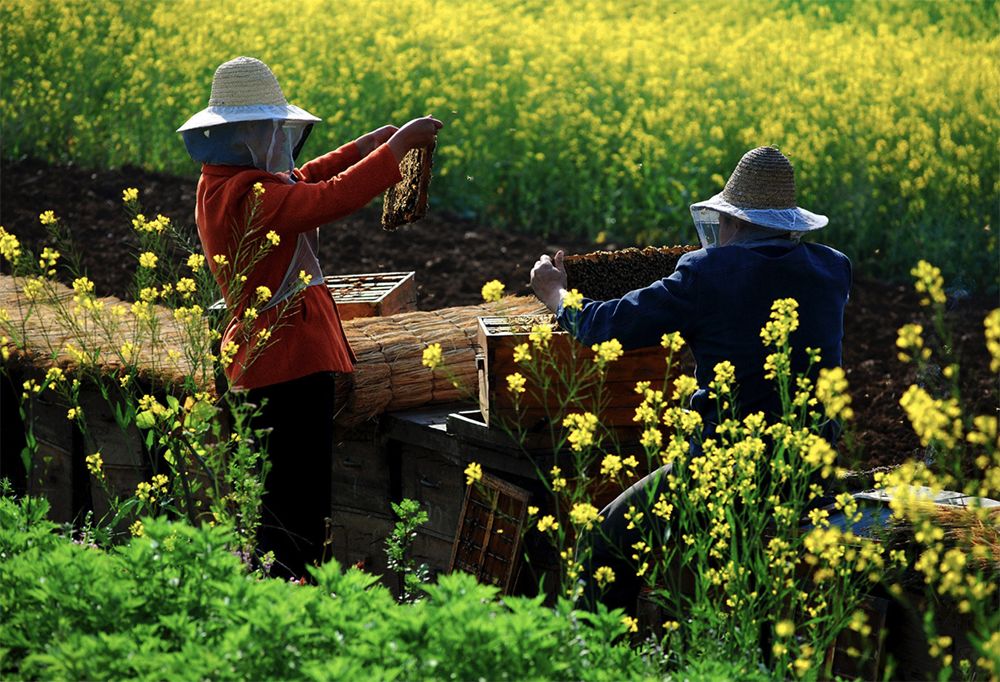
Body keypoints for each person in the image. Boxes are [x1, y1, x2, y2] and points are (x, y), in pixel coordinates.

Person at [530, 146, 851, 612]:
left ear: (734, 222)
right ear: (789, 223)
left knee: (604, 543)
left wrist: (556, 293)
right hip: (809, 465)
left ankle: (597, 656)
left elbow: (603, 327)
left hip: (725, 468)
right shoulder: (834, 268)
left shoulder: (707, 272)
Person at [177, 56, 442, 579]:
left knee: (280, 500)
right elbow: (324, 198)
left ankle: (278, 594)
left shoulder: (225, 182)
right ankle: (290, 604)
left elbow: (301, 179)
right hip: (289, 365)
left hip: (271, 362)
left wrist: (364, 148)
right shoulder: (250, 196)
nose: (278, 135)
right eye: (270, 127)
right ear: (245, 132)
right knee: (297, 507)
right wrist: (396, 150)